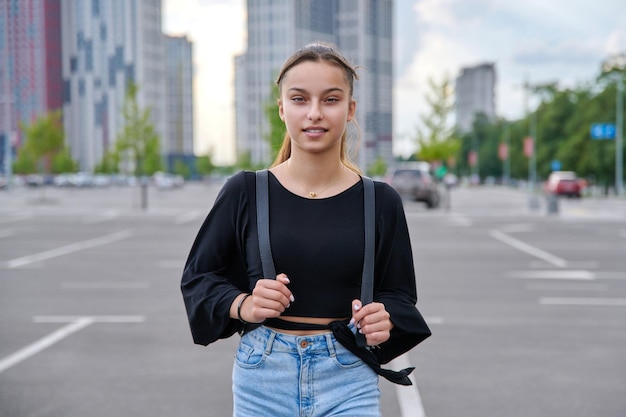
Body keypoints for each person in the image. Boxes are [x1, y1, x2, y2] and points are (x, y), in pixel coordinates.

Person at [181, 42, 430, 417]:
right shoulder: (245, 191)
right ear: (282, 108)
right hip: (263, 377)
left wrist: (386, 318)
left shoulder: (380, 201)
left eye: (330, 100)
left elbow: (399, 294)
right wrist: (244, 304)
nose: (314, 113)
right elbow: (199, 278)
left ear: (350, 110)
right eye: (300, 99)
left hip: (349, 375)